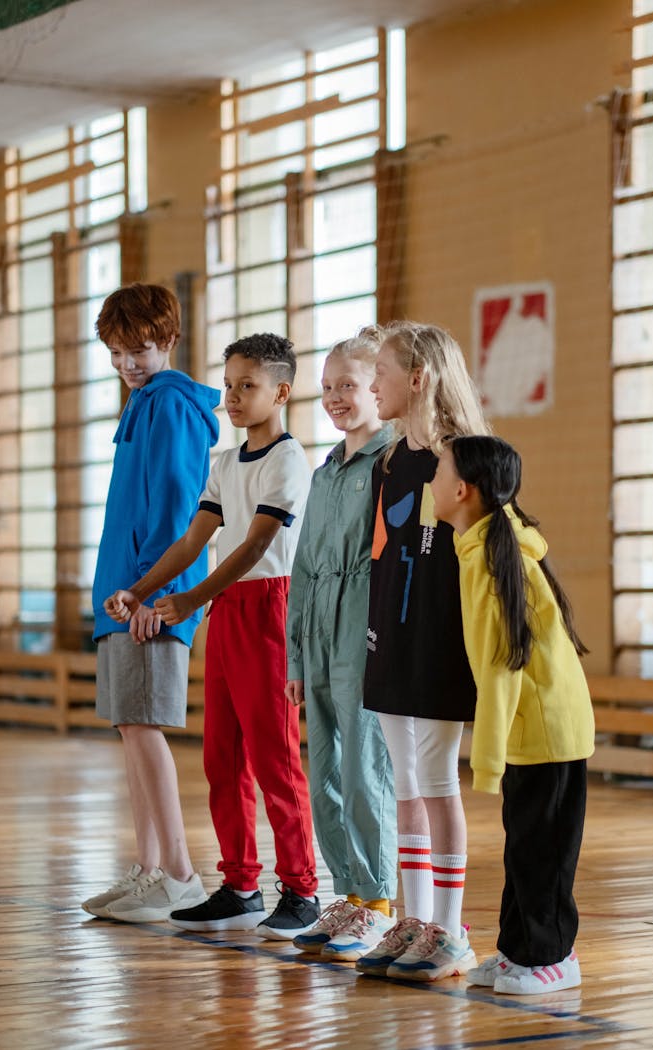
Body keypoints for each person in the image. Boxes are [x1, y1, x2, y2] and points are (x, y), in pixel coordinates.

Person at [104, 333, 320, 940]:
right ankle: (241, 883)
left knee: (275, 757)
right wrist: (142, 590)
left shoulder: (288, 460)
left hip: (270, 609)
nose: (231, 396)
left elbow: (254, 546)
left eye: (246, 386)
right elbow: (193, 541)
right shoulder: (225, 464)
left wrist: (188, 601)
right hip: (226, 611)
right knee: (220, 755)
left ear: (280, 391)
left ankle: (301, 888)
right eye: (227, 384)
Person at [430, 435, 594, 994]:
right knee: (525, 844)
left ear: (461, 490)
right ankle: (518, 950)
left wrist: (488, 758)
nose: (430, 482)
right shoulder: (480, 551)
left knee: (545, 849)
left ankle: (555, 957)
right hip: (533, 727)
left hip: (548, 729)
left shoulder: (495, 561)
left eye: (438, 472)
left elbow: (503, 664)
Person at [82, 282, 220, 923]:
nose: (127, 364)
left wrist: (153, 595)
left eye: (138, 349)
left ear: (168, 339)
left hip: (147, 598)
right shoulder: (141, 404)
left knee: (145, 730)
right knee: (130, 729)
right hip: (120, 596)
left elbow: (175, 509)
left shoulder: (170, 405)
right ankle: (149, 868)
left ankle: (181, 874)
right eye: (116, 353)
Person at [356, 320, 489, 983]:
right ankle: (414, 917)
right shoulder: (389, 460)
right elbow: (385, 556)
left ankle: (449, 928)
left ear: (417, 378)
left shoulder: (463, 459)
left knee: (437, 785)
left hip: (440, 650)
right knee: (405, 788)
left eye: (379, 371)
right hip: (391, 644)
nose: (370, 383)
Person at [284, 328, 398, 962]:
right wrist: (296, 657)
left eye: (348, 386)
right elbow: (302, 572)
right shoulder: (325, 471)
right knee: (322, 770)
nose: (334, 398)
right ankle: (349, 894)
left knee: (364, 769)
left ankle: (380, 901)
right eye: (326, 388)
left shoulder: (391, 464)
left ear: (377, 390)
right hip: (318, 635)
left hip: (362, 628)